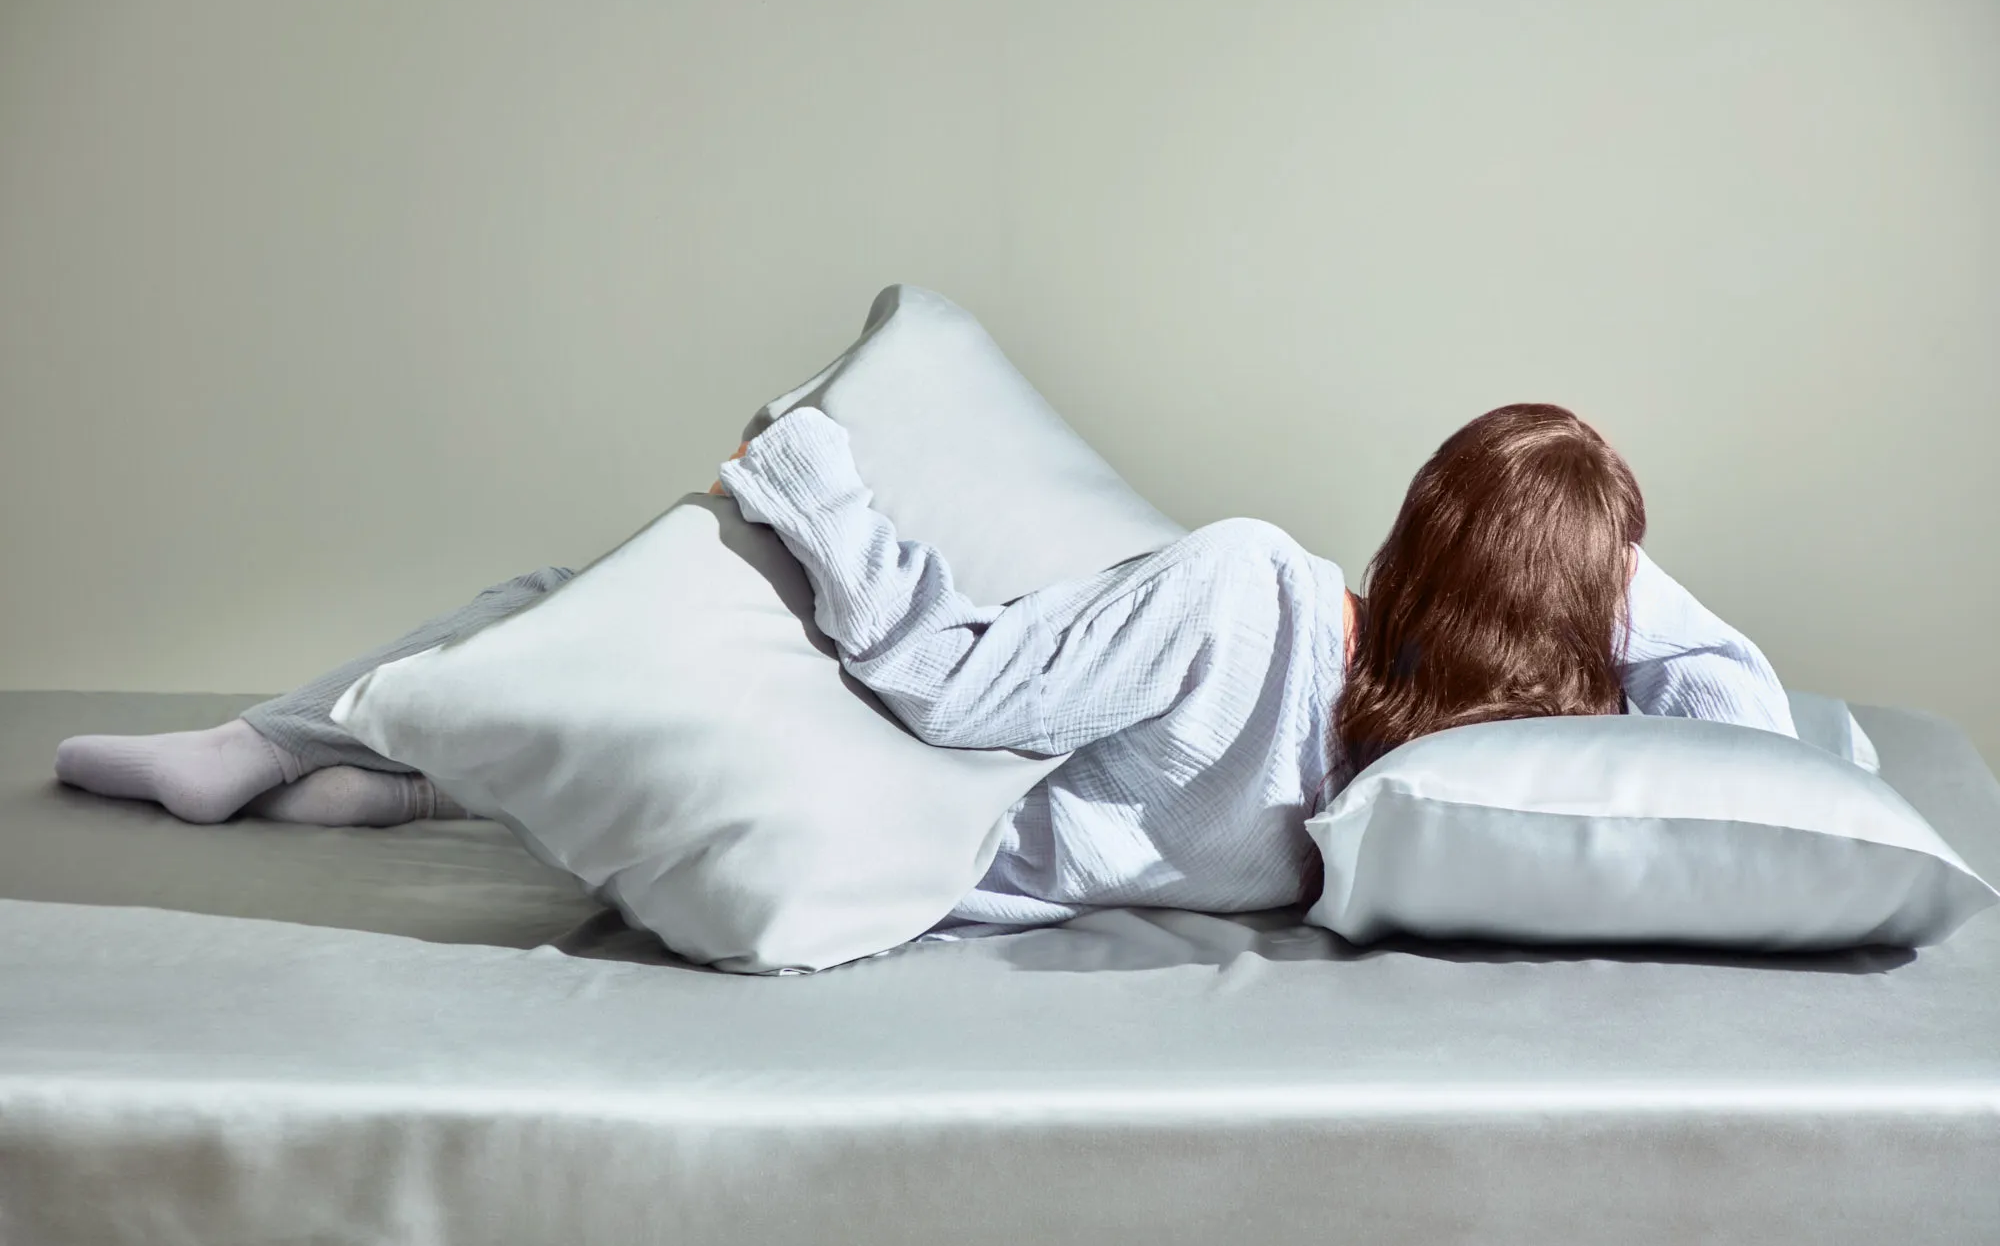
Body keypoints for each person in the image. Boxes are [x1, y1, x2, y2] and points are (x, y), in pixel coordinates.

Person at [53, 401, 1793, 933]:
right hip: (1042, 773)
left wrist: (819, 482)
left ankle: (254, 742)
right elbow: (1756, 726)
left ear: (1422, 529)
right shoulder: (1466, 778)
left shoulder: (1264, 594)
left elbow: (949, 682)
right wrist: (1586, 559)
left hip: (942, 768)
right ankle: (404, 779)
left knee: (579, 591)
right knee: (598, 652)